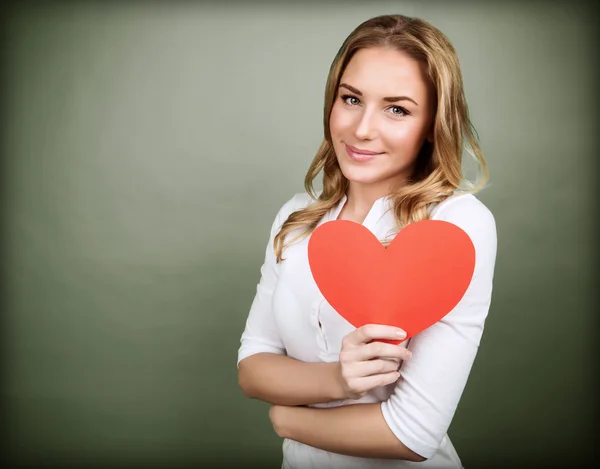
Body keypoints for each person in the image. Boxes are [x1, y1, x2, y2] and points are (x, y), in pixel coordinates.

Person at [237, 13, 497, 469]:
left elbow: (412, 434)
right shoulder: (297, 217)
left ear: (432, 125)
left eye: (397, 108)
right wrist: (338, 379)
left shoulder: (456, 225)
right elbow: (254, 367)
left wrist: (287, 419)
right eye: (351, 98)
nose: (361, 129)